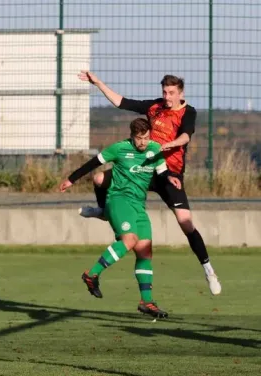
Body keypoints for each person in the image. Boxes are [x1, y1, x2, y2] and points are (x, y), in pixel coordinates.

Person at [77, 71, 221, 296]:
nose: (167, 96)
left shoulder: (187, 112)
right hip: (144, 169)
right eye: (164, 92)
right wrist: (98, 83)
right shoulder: (154, 107)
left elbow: (185, 137)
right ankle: (104, 210)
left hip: (168, 173)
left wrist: (168, 145)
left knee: (185, 223)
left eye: (171, 93)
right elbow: (120, 102)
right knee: (98, 179)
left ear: (180, 93)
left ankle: (208, 270)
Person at [60, 118, 181, 319]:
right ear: (132, 136)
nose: (142, 142)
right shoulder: (119, 149)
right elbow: (93, 163)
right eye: (139, 138)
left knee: (145, 252)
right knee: (129, 240)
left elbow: (162, 173)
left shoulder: (155, 149)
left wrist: (170, 178)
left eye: (146, 137)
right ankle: (92, 274)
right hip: (119, 200)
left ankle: (147, 301)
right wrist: (71, 179)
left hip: (138, 205)